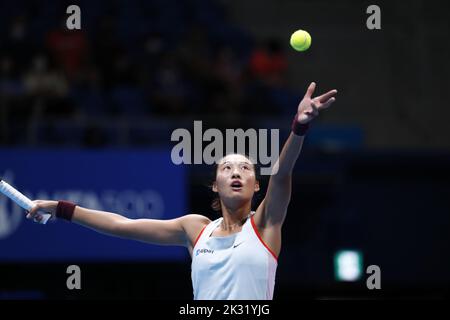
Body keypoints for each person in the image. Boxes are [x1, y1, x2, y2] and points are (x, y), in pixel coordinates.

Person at [28, 82, 337, 300]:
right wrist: (60, 208)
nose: (236, 173)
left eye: (245, 169)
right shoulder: (195, 229)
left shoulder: (265, 224)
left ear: (257, 185)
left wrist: (298, 127)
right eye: (227, 168)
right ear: (215, 185)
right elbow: (123, 225)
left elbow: (282, 174)